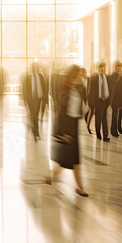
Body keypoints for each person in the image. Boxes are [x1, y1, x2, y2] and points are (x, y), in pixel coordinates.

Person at [50, 65, 89, 196]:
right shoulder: (64, 90)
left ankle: (78, 186)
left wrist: (81, 85)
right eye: (78, 75)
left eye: (81, 75)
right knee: (66, 158)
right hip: (67, 127)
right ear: (72, 76)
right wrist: (62, 133)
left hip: (75, 125)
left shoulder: (79, 88)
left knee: (73, 158)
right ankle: (77, 186)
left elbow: (84, 103)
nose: (80, 77)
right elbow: (60, 113)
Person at [87, 61, 112, 141]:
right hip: (97, 101)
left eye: (104, 70)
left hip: (105, 100)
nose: (103, 72)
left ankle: (105, 136)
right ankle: (98, 133)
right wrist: (91, 103)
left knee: (104, 118)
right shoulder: (93, 78)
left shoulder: (108, 78)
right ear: (98, 69)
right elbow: (90, 91)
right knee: (98, 118)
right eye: (101, 70)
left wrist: (109, 99)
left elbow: (111, 89)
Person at [20, 62, 44, 141]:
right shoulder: (27, 77)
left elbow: (44, 87)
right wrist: (25, 100)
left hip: (38, 98)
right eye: (34, 67)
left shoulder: (41, 76)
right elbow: (24, 89)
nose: (35, 68)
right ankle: (36, 133)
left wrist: (45, 100)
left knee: (35, 114)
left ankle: (34, 129)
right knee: (34, 114)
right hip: (30, 99)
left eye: (36, 67)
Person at [109, 61, 122, 138]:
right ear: (115, 67)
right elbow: (112, 87)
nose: (118, 68)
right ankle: (114, 131)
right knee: (115, 114)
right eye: (117, 66)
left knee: (120, 115)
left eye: (120, 66)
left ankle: (119, 129)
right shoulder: (113, 75)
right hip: (115, 97)